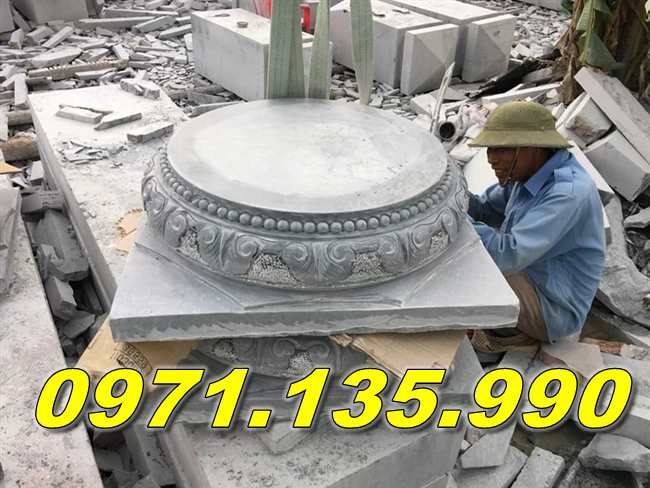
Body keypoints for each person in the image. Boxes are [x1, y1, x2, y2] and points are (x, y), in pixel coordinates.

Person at [466, 101, 605, 351]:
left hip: (553, 308)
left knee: (469, 265)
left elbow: (505, 255)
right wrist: (451, 197)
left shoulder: (567, 193)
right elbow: (485, 209)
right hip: (534, 276)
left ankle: (514, 333)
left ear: (533, 148)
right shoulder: (527, 175)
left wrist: (452, 219)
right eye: (489, 149)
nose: (491, 159)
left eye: (501, 149)